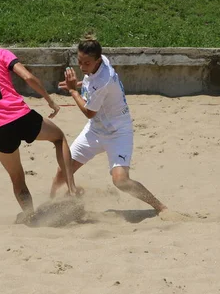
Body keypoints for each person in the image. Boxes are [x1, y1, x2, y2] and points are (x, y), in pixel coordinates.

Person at [0, 8, 78, 222]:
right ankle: (73, 190)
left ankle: (30, 215)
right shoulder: (1, 53)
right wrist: (49, 99)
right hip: (19, 115)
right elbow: (28, 77)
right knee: (59, 138)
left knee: (16, 177)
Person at [50, 35, 174, 218]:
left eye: (87, 63)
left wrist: (73, 90)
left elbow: (89, 112)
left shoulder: (103, 81)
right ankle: (50, 204)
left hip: (118, 133)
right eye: (80, 62)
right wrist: (81, 83)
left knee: (121, 181)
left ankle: (160, 207)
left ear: (98, 60)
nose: (83, 67)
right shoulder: (101, 61)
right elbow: (91, 84)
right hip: (95, 130)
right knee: (63, 170)